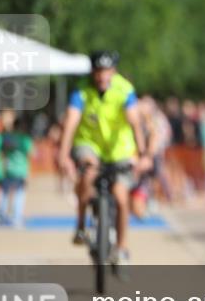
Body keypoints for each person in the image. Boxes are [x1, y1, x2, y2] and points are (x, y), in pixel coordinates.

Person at [56, 50, 151, 267]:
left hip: (120, 149)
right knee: (88, 173)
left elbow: (136, 123)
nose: (101, 77)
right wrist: (63, 155)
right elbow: (71, 122)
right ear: (92, 72)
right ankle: (81, 226)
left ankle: (122, 248)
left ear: (114, 72)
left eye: (106, 72)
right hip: (89, 143)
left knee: (120, 196)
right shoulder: (81, 90)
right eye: (98, 72)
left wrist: (143, 154)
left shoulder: (124, 90)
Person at [0, 109, 33, 229]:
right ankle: (16, 217)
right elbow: (29, 155)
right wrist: (29, 172)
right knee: (19, 193)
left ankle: (2, 215)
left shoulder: (7, 137)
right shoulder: (25, 139)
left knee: (5, 192)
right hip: (21, 169)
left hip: (8, 168)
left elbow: (2, 151)